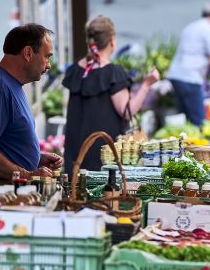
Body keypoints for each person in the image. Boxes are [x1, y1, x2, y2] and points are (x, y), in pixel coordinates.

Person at [0, 23, 63, 184]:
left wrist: (36, 159)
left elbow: (5, 144)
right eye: (47, 56)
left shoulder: (7, 83)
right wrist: (28, 175)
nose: (49, 65)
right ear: (28, 53)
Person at [63, 16, 160, 174]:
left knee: (76, 190)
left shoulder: (76, 70)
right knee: (101, 193)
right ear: (112, 42)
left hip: (76, 149)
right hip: (102, 150)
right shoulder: (112, 73)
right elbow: (126, 111)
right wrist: (146, 84)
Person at [167, 4, 210, 126]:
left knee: (184, 118)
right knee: (198, 120)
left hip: (176, 75)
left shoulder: (190, 27)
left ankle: (186, 143)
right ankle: (197, 144)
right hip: (190, 77)